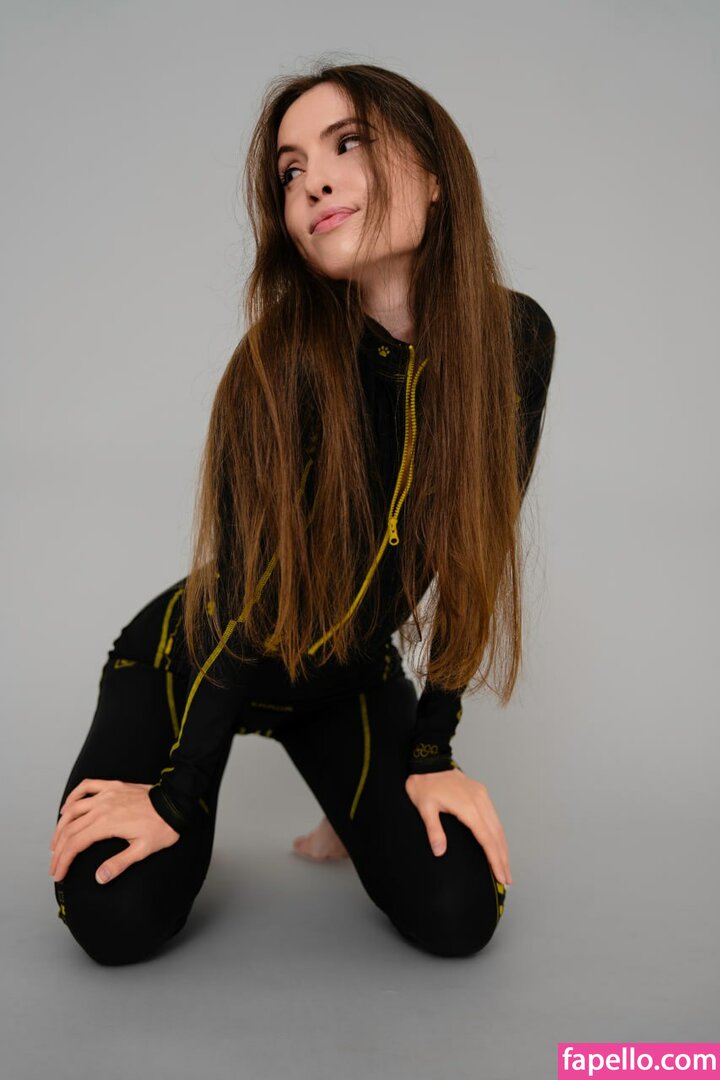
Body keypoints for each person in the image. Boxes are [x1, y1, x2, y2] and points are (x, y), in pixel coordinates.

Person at [48, 62, 556, 965]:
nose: (313, 181)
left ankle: (343, 795)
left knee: (458, 913)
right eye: (290, 171)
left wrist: (429, 755)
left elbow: (474, 551)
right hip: (195, 657)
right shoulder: (277, 363)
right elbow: (243, 603)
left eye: (347, 143)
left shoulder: (515, 339)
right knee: (117, 916)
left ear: (434, 173)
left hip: (344, 679)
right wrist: (176, 795)